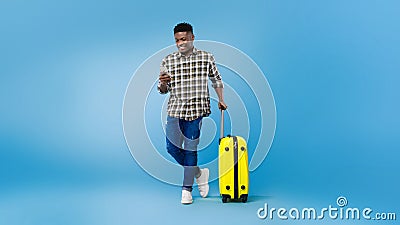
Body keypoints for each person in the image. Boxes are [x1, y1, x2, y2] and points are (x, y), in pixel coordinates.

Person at [158, 22, 227, 204]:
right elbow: (163, 89)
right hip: (175, 110)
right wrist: (163, 82)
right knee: (172, 148)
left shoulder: (206, 57)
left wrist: (221, 99)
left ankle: (186, 190)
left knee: (190, 149)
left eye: (184, 39)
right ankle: (198, 172)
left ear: (192, 38)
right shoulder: (168, 60)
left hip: (196, 110)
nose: (181, 43)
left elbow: (216, 80)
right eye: (177, 40)